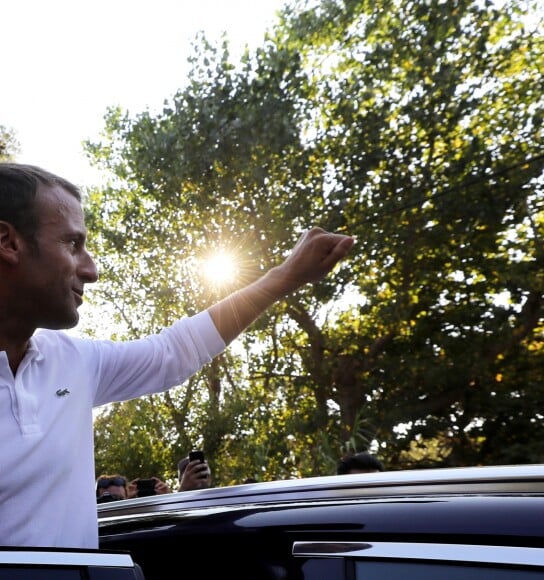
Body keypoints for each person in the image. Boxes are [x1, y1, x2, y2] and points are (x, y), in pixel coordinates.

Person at [0, 162, 355, 549]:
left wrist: (282, 278)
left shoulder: (75, 362)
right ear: (8, 242)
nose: (92, 270)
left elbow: (174, 351)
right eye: (72, 244)